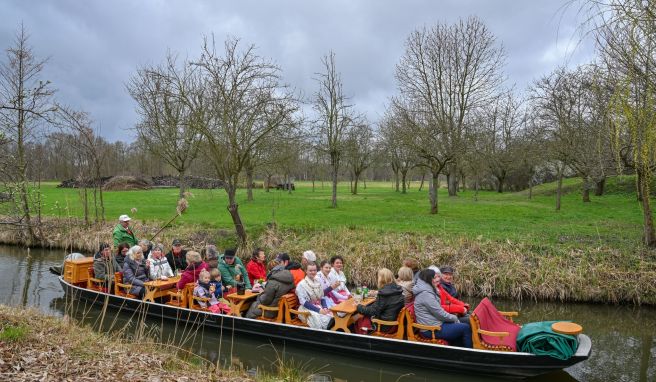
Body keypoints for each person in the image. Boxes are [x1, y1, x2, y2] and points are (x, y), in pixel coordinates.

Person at [412, 268, 472, 348]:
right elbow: (440, 313)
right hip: (431, 329)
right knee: (465, 328)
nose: (437, 279)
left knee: (462, 325)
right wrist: (454, 318)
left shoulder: (428, 290)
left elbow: (440, 310)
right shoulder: (426, 294)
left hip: (436, 323)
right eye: (434, 277)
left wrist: (461, 307)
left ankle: (457, 350)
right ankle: (468, 353)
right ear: (429, 279)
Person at [356, 268, 404, 332]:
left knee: (359, 320)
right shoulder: (398, 290)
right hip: (394, 324)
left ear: (381, 279)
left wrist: (358, 306)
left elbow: (372, 311)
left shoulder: (384, 294)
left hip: (384, 325)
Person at [295, 262, 334, 329]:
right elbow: (303, 302)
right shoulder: (301, 285)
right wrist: (319, 310)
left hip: (318, 306)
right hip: (306, 309)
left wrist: (325, 307)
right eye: (310, 270)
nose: (313, 272)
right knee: (321, 318)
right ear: (306, 271)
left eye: (314, 270)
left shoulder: (317, 281)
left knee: (331, 314)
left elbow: (322, 296)